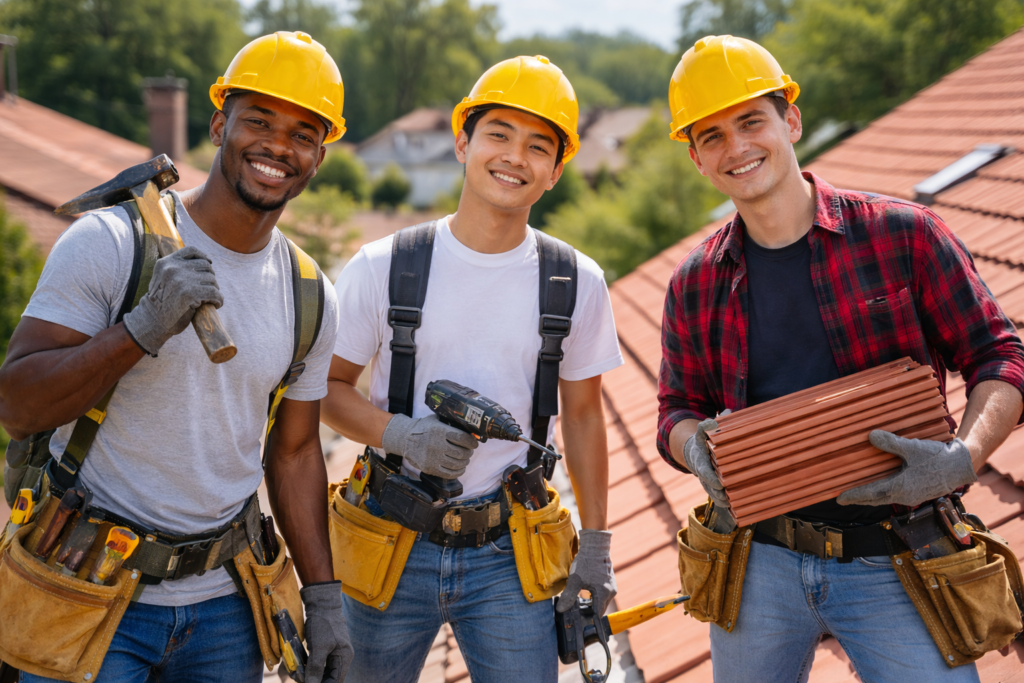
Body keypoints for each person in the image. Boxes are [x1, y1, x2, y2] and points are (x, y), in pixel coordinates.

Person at [657, 35, 1024, 682]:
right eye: (710, 135)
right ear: (695, 158)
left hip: (896, 552)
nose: (736, 147)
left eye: (750, 121)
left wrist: (961, 459)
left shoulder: (903, 236)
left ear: (790, 119)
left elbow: (1001, 358)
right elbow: (676, 409)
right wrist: (695, 449)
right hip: (759, 558)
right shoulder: (695, 283)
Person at [0, 31, 353, 683]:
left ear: (319, 155)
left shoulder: (312, 295)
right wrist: (140, 328)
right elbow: (18, 406)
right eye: (260, 121)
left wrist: (323, 596)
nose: (279, 145)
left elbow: (298, 452)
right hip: (83, 587)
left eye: (304, 133)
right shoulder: (110, 244)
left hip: (224, 605)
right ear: (219, 123)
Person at [321, 55, 624, 683]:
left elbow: (586, 418)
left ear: (556, 172)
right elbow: (324, 389)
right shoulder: (385, 266)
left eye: (538, 146)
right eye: (498, 135)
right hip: (388, 538)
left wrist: (596, 545)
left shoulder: (574, 282)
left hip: (510, 550)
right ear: (463, 142)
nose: (515, 157)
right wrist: (400, 436)